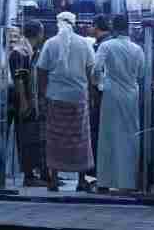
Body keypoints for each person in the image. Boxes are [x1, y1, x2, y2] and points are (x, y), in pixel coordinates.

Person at [37, 11, 95, 192]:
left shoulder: (50, 43)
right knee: (80, 140)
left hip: (55, 98)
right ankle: (81, 180)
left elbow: (41, 71)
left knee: (55, 139)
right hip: (78, 98)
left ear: (58, 24)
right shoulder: (85, 44)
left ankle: (54, 180)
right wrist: (91, 95)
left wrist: (42, 94)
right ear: (73, 24)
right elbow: (91, 72)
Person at [94, 14, 145, 194]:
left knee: (107, 137)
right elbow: (141, 73)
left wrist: (100, 84)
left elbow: (96, 68)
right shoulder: (137, 49)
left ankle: (104, 181)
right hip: (131, 96)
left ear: (113, 28)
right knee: (130, 137)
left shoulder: (106, 46)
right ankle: (128, 182)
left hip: (111, 95)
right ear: (128, 28)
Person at [9, 19, 47, 187]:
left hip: (28, 99)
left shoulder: (28, 50)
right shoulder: (21, 52)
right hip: (22, 101)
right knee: (26, 137)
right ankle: (29, 176)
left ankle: (34, 174)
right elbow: (19, 79)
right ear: (38, 33)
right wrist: (24, 102)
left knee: (31, 137)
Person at [89, 14, 112, 176]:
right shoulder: (105, 43)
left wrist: (94, 85)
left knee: (97, 131)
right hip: (108, 93)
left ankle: (97, 171)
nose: (89, 28)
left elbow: (97, 70)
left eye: (91, 25)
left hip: (102, 94)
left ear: (96, 26)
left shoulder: (103, 45)